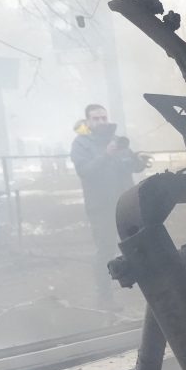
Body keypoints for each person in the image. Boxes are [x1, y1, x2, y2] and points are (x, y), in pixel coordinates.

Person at [69, 103, 146, 308]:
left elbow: (129, 165)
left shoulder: (117, 141)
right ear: (88, 122)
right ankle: (104, 297)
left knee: (136, 245)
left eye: (104, 117)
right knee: (106, 250)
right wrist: (106, 155)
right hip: (101, 207)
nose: (102, 122)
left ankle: (146, 291)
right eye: (96, 118)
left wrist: (139, 161)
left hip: (125, 203)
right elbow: (85, 171)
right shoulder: (81, 144)